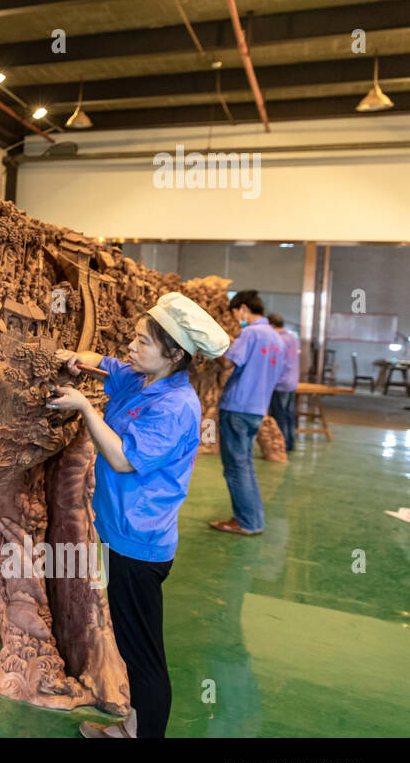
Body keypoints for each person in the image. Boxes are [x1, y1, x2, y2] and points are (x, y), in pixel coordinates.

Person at [47, 292, 230, 738]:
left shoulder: (175, 406)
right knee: (130, 645)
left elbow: (125, 459)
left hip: (140, 546)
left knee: (144, 656)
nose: (131, 347)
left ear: (174, 355)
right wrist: (77, 359)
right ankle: (131, 728)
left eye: (142, 342)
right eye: (134, 338)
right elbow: (106, 364)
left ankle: (143, 734)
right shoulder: (142, 379)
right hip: (119, 531)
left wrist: (86, 408)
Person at [210, 290, 284, 535]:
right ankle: (253, 519)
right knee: (246, 465)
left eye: (235, 314)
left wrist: (208, 347)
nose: (236, 319)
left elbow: (228, 362)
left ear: (243, 308)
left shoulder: (250, 333)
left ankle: (245, 522)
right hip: (257, 409)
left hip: (238, 407)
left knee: (235, 468)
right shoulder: (276, 338)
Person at [267, 314, 299, 452]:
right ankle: (290, 443)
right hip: (292, 382)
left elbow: (274, 362)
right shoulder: (292, 337)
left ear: (272, 326)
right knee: (289, 414)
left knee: (279, 415)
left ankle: (281, 446)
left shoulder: (278, 339)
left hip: (280, 383)